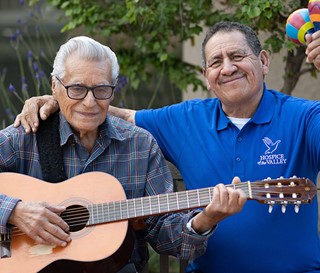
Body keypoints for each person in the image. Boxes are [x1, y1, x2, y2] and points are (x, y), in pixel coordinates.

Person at [12, 21, 320, 273]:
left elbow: (165, 230)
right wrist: (57, 103)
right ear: (207, 77)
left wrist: (206, 219)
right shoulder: (185, 119)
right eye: (216, 62)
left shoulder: (305, 117)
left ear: (264, 61)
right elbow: (105, 110)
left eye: (238, 57)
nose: (227, 68)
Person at [0, 35, 247, 273]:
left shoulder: (139, 145)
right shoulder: (27, 135)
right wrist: (15, 211)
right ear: (55, 86)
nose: (89, 102)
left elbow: (165, 235)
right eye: (76, 89)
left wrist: (206, 219)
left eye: (101, 89)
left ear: (114, 90)